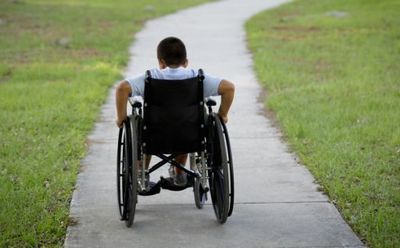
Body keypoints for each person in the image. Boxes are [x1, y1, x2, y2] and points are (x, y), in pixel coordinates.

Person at [115, 36, 235, 187]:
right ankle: (179, 174)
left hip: (154, 135)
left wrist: (121, 118)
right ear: (186, 62)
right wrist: (223, 114)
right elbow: (229, 88)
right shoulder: (197, 77)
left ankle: (141, 172)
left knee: (144, 129)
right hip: (190, 135)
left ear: (161, 62)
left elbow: (122, 88)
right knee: (186, 122)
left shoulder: (150, 77)